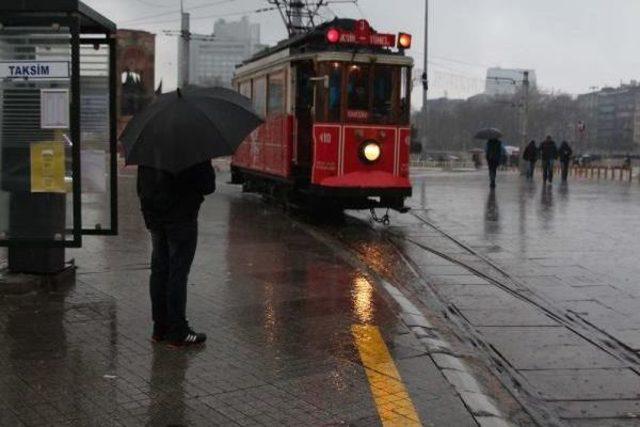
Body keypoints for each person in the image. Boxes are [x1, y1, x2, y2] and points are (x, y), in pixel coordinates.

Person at [137, 161, 216, 347]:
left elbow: (141, 187)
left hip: (156, 219)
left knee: (159, 271)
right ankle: (178, 331)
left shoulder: (147, 145)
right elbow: (208, 186)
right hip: (181, 219)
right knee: (177, 274)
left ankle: (160, 329)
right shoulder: (192, 146)